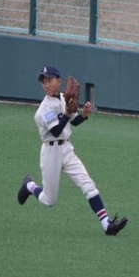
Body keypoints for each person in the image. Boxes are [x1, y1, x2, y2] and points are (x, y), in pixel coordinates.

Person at [17, 65, 128, 236]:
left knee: (88, 185)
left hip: (67, 150)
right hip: (51, 152)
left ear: (58, 81)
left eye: (49, 80)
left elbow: (73, 121)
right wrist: (68, 114)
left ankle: (107, 225)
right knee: (49, 200)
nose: (46, 85)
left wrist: (84, 115)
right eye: (43, 82)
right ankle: (29, 185)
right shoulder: (44, 109)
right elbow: (56, 131)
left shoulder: (64, 98)